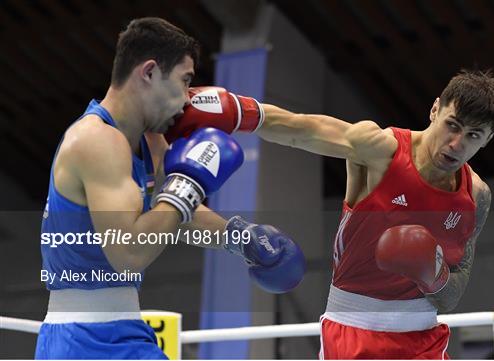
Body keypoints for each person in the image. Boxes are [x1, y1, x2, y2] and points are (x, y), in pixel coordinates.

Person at [167, 69, 494, 359]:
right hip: (352, 334)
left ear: (489, 139)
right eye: (453, 125)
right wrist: (239, 112)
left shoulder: (476, 196)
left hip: (423, 338)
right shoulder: (381, 150)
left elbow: (453, 294)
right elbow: (302, 129)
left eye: (473, 136)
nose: (457, 144)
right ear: (435, 110)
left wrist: (434, 274)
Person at [36, 17, 305, 360]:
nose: (187, 99)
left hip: (121, 328)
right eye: (184, 80)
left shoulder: (150, 142)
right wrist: (188, 185)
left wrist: (241, 238)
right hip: (83, 339)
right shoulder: (97, 140)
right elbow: (130, 253)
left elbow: (176, 213)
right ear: (148, 72)